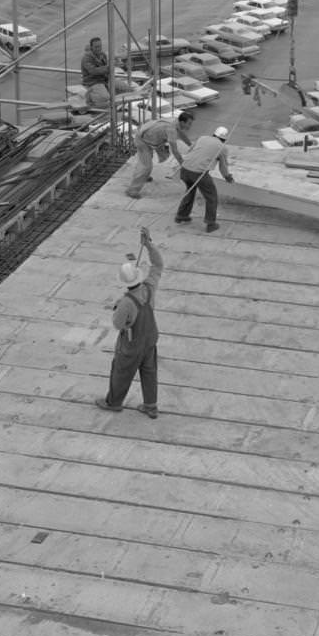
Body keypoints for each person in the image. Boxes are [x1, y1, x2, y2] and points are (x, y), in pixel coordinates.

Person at [97, 227, 164, 418]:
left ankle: (114, 402)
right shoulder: (150, 287)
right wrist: (149, 245)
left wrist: (118, 309)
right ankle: (150, 405)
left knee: (121, 371)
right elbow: (158, 265)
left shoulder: (126, 302)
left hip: (132, 344)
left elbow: (118, 324)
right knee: (149, 371)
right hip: (150, 338)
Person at [175, 125, 233, 233]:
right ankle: (211, 224)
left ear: (214, 134)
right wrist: (228, 177)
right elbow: (223, 167)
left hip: (184, 169)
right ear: (224, 138)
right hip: (198, 173)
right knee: (211, 197)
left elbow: (190, 151)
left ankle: (181, 215)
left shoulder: (202, 138)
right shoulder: (222, 148)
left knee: (190, 191)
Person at [126, 112, 192, 198]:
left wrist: (191, 145)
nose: (190, 126)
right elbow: (175, 151)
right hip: (142, 141)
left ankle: (144, 176)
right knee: (146, 166)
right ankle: (132, 190)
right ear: (182, 122)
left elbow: (182, 135)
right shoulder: (171, 130)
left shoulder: (175, 121)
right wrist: (182, 164)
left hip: (147, 138)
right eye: (189, 124)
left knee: (145, 161)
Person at [80, 37, 111, 109]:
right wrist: (107, 68)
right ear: (91, 47)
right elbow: (93, 71)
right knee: (105, 97)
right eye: (96, 47)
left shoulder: (103, 55)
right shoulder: (86, 58)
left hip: (104, 81)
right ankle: (90, 97)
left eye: (100, 46)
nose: (99, 48)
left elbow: (106, 68)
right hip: (93, 82)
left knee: (124, 88)